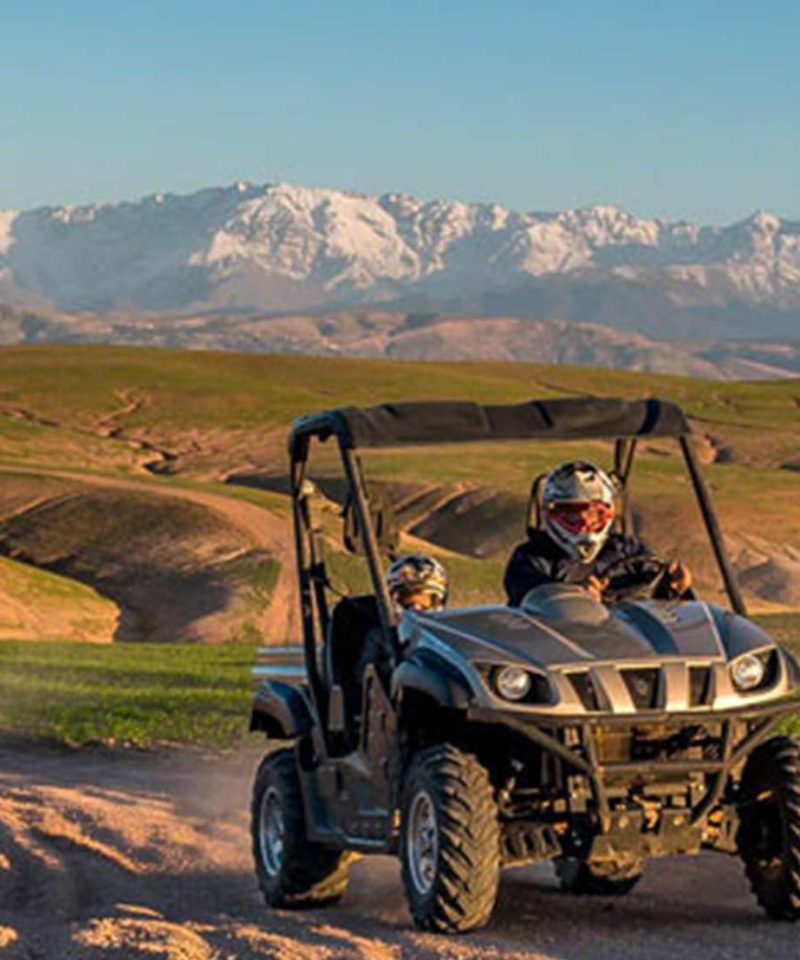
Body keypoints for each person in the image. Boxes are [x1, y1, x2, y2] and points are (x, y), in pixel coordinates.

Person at [503, 461, 692, 607]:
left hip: (630, 648)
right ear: (551, 515)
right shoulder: (531, 559)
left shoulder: (628, 551)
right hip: (562, 651)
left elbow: (658, 605)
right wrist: (575, 599)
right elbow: (531, 599)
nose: (584, 522)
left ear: (608, 513)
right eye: (572, 514)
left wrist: (676, 588)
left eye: (594, 514)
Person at [357, 553, 448, 689]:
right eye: (408, 603)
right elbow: (364, 676)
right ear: (392, 601)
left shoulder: (446, 637)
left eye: (424, 604)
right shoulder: (380, 637)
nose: (416, 610)